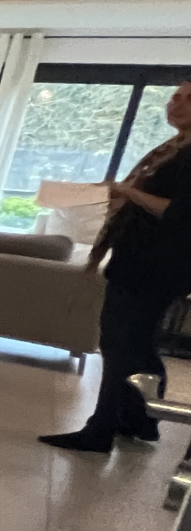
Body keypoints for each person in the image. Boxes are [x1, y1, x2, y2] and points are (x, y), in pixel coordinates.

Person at [42, 81, 191, 452]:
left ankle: (101, 429)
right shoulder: (173, 149)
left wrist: (128, 191)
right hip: (138, 259)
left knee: (120, 345)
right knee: (136, 344)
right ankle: (139, 419)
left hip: (156, 266)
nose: (177, 105)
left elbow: (176, 212)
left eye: (189, 99)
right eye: (175, 97)